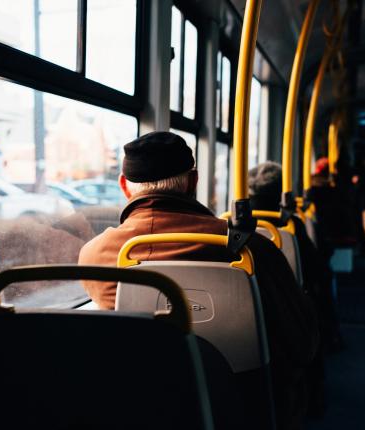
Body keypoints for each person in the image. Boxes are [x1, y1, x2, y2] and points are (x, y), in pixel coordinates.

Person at [78, 131, 319, 429]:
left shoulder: (95, 255)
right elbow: (303, 343)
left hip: (141, 406)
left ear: (125, 186)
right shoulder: (254, 249)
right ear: (193, 181)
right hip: (244, 408)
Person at [249, 162, 343, 418]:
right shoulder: (290, 225)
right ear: (280, 190)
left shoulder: (230, 225)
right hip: (288, 305)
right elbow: (316, 267)